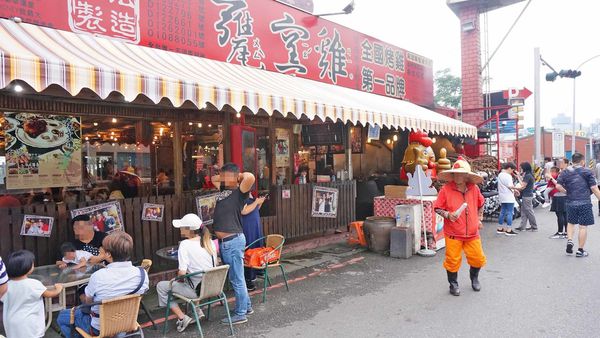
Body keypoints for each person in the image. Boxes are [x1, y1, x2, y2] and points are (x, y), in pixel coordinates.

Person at [57, 231, 149, 337]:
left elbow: (88, 302)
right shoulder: (142, 274)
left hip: (99, 327)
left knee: (62, 317)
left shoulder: (98, 276)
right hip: (126, 324)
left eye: (103, 250)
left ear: (108, 254)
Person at [156, 213, 218, 333]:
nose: (180, 228)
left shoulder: (185, 245)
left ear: (189, 230)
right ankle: (197, 309)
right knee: (193, 280)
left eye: (182, 226)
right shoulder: (209, 242)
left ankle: (183, 318)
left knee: (162, 286)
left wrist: (177, 279)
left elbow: (182, 273)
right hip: (212, 288)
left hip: (195, 291)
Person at [433, 157, 486, 296]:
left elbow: (481, 203)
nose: (458, 176)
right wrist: (448, 215)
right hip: (453, 233)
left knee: (478, 258)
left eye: (461, 173)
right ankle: (453, 284)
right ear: (452, 174)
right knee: (452, 260)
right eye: (456, 173)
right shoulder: (445, 189)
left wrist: (480, 217)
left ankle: (474, 278)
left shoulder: (474, 188)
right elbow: (437, 208)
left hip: (473, 233)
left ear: (466, 176)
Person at [211, 163, 255, 325]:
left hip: (233, 241)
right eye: (223, 176)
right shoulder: (224, 191)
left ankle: (241, 313)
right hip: (227, 242)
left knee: (237, 279)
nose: (222, 179)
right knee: (238, 277)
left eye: (226, 176)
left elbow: (250, 177)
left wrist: (237, 176)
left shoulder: (240, 192)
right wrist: (225, 177)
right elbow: (213, 178)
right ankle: (247, 307)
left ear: (236, 178)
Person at [2, 250, 63, 338]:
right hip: (29, 323)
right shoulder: (33, 284)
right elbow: (49, 294)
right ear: (27, 267)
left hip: (11, 323)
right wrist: (58, 289)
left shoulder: (6, 285)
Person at [555, 152, 600, 257]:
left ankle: (570, 240)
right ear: (583, 161)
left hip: (571, 202)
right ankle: (580, 250)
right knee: (583, 227)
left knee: (571, 223)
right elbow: (594, 188)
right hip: (584, 202)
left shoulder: (565, 172)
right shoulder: (587, 171)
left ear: (572, 161)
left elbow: (557, 186)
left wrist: (566, 192)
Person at [241, 196, 266, 291]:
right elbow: (243, 211)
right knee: (249, 248)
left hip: (255, 224)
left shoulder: (249, 194)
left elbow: (254, 208)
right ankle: (248, 278)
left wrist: (260, 202)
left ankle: (256, 270)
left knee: (257, 247)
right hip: (247, 225)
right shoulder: (240, 195)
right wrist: (256, 202)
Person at [496, 162, 520, 236]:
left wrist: (514, 189)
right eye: (512, 170)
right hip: (508, 196)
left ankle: (500, 228)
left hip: (502, 196)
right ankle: (509, 230)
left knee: (502, 212)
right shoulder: (507, 175)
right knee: (510, 212)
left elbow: (506, 186)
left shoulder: (500, 174)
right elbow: (510, 186)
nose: (512, 172)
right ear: (509, 168)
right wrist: (518, 188)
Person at [514, 162, 538, 232]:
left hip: (527, 196)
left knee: (529, 211)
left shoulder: (528, 176)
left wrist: (513, 187)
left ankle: (534, 227)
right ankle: (522, 226)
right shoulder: (529, 175)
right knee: (523, 211)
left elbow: (522, 186)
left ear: (524, 168)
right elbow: (523, 183)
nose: (520, 169)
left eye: (521, 167)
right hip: (527, 195)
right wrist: (519, 176)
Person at [550, 159, 569, 239]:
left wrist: (550, 178)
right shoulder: (569, 171)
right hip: (565, 195)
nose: (560, 164)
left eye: (561, 162)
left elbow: (558, 184)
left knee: (560, 214)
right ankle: (566, 232)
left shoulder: (563, 172)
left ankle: (560, 232)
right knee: (564, 214)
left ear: (566, 163)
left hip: (560, 194)